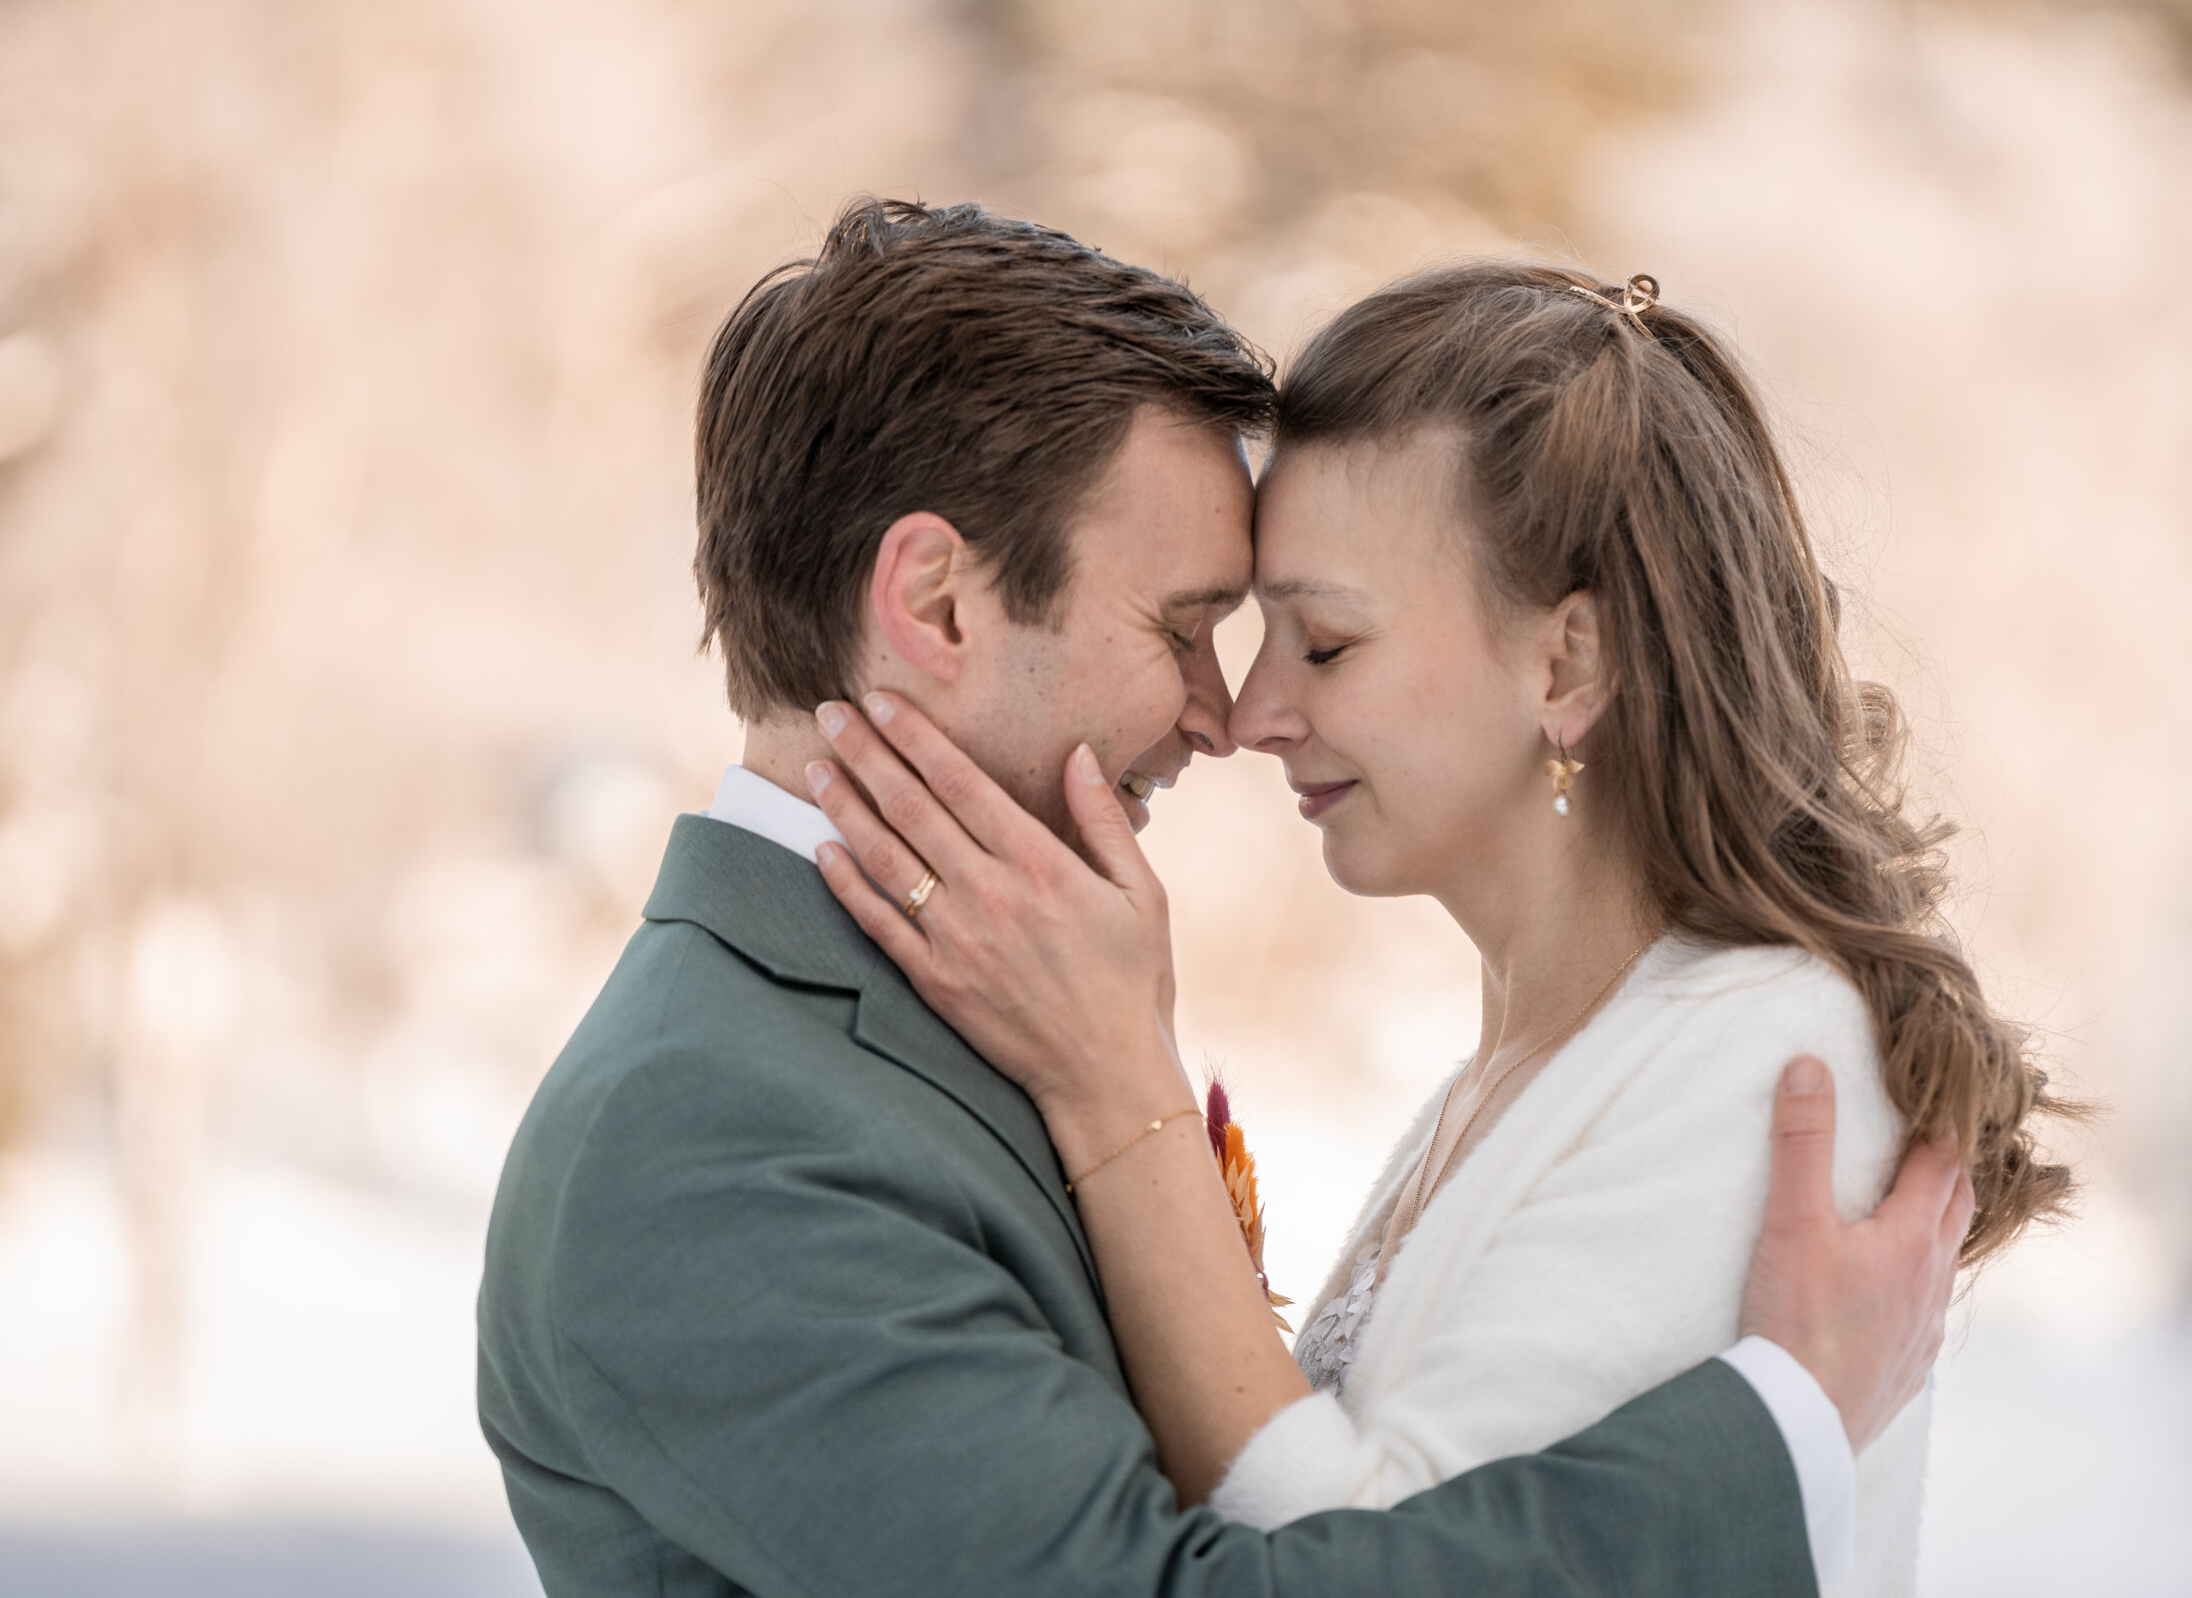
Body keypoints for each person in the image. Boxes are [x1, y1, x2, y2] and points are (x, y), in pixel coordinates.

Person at [477, 199, 1974, 1598]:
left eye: (1303, 640)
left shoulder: (966, 1009)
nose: (1223, 714)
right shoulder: (707, 1131)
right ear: (935, 603)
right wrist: (1776, 1429)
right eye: (1188, 626)